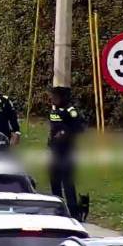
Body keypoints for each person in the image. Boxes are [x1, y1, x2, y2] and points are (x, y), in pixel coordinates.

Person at [47, 86, 84, 218]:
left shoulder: (70, 111)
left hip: (67, 151)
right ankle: (58, 208)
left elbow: (79, 128)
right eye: (52, 97)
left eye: (55, 97)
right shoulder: (53, 110)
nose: (52, 99)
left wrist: (65, 133)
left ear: (62, 98)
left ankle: (73, 211)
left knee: (67, 182)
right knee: (54, 181)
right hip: (54, 150)